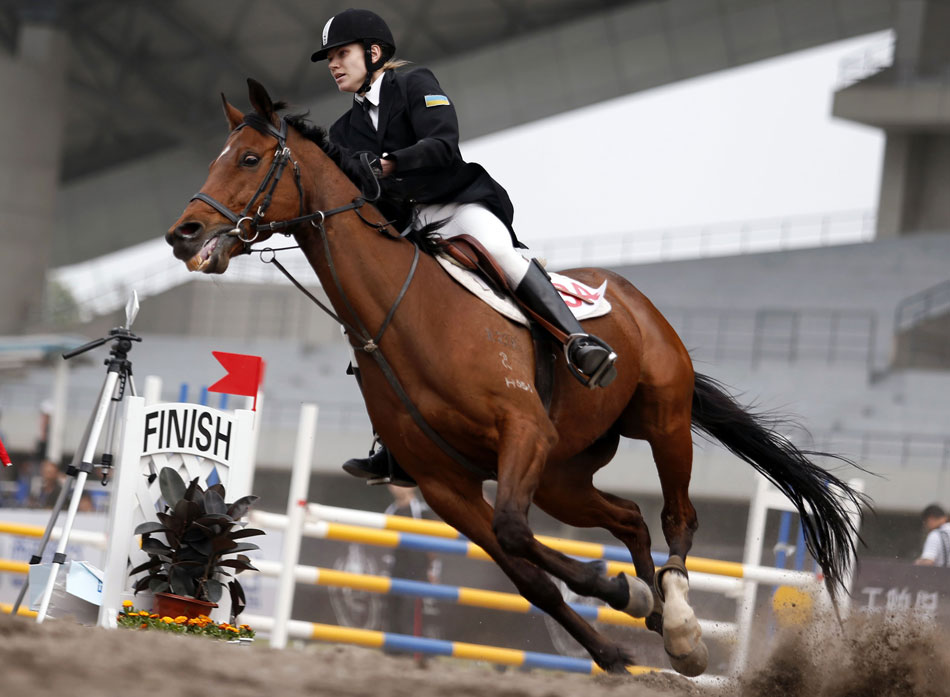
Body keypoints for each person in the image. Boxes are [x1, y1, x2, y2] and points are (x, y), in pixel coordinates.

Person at [311, 8, 618, 486]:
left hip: (455, 206)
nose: (333, 64)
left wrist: (389, 164)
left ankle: (578, 342)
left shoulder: (414, 84)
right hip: (406, 228)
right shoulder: (341, 133)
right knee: (374, 321)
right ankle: (391, 443)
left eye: (341, 54)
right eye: (329, 58)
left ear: (374, 53)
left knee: (501, 253)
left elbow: (443, 144)